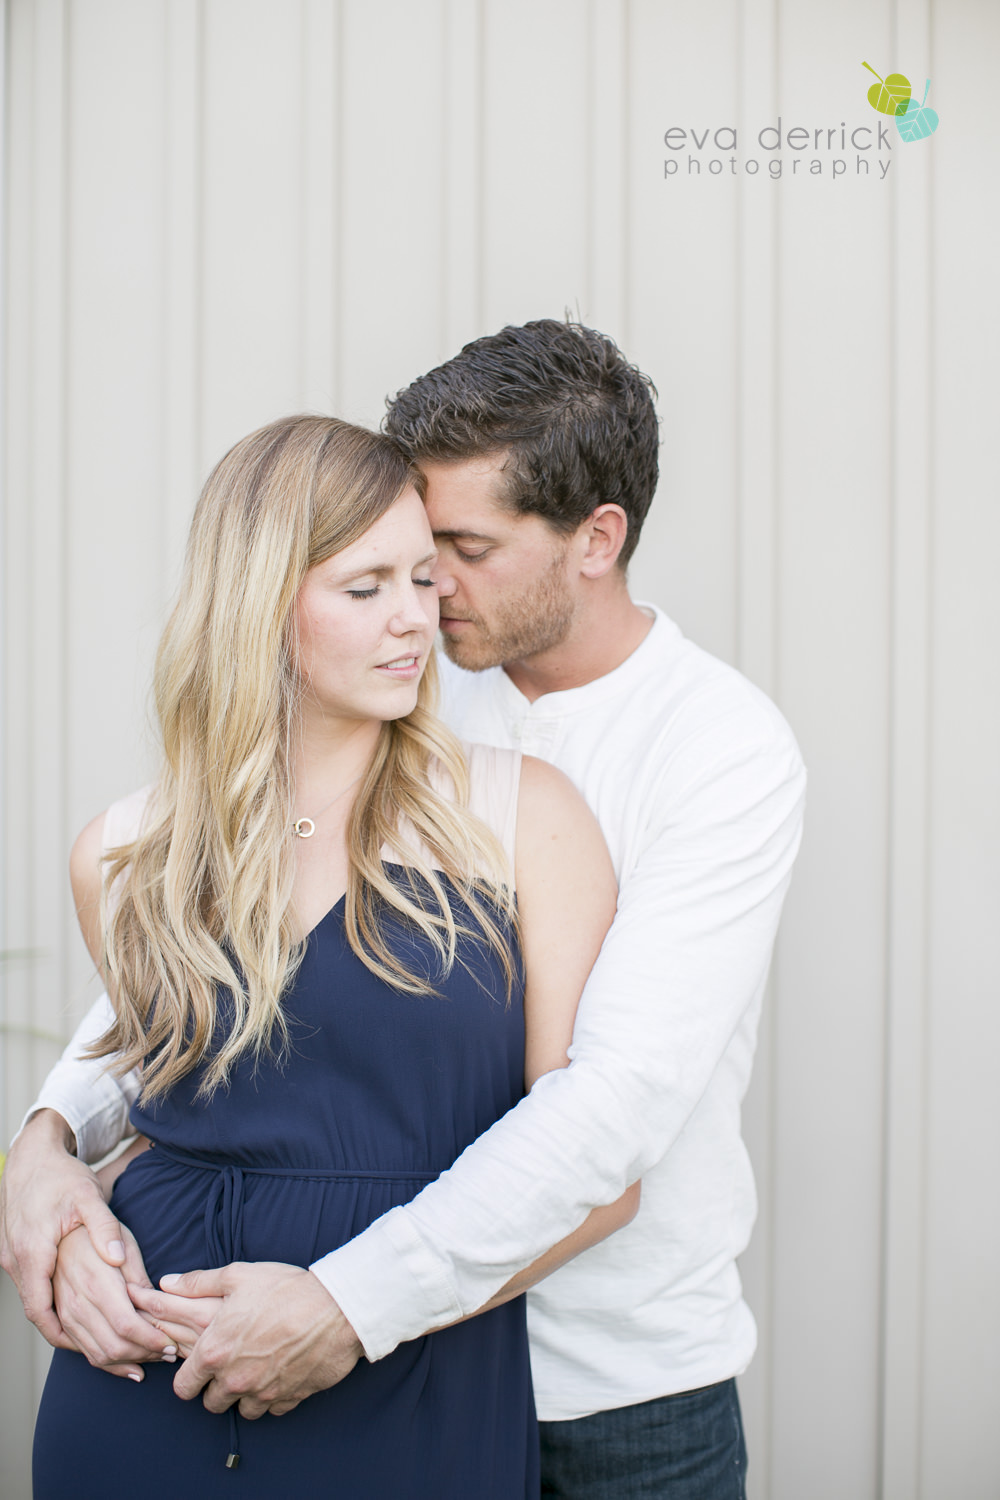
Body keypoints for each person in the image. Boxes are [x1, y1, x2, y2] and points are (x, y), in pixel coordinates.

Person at [3, 321, 806, 1499]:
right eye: (398, 564)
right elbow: (200, 985)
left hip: (607, 1385)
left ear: (596, 540)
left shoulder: (717, 750)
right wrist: (45, 1142)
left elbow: (607, 1106)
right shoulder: (401, 698)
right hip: (297, 1360)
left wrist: (347, 1303)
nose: (426, 604)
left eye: (457, 554)